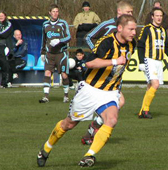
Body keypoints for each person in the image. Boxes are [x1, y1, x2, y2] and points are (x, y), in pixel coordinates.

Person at [37, 14, 137, 168]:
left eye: (135, 29)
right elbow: (89, 62)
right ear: (120, 28)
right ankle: (46, 148)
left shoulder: (132, 44)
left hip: (109, 92)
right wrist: (114, 61)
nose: (134, 33)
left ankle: (89, 156)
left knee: (112, 119)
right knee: (68, 124)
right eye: (131, 29)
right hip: (90, 90)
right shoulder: (107, 42)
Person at [82, 0, 134, 145]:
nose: (131, 15)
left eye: (132, 13)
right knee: (114, 101)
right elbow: (88, 37)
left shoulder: (128, 30)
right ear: (119, 12)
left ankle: (92, 130)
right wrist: (99, 55)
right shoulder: (107, 25)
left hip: (115, 72)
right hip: (101, 71)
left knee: (120, 102)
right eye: (128, 13)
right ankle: (92, 130)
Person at [137, 7, 168, 119]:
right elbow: (140, 45)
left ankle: (142, 112)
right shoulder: (147, 29)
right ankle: (145, 110)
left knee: (150, 87)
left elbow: (167, 46)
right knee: (155, 84)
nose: (159, 18)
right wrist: (141, 62)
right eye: (157, 15)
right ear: (152, 17)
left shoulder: (163, 30)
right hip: (149, 60)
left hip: (159, 62)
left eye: (160, 16)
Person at [39, 4, 71, 103]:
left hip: (61, 53)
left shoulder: (63, 23)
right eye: (53, 11)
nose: (55, 13)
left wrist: (59, 40)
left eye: (57, 11)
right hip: (50, 54)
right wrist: (43, 52)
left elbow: (68, 37)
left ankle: (66, 96)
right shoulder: (45, 24)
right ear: (49, 13)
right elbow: (43, 39)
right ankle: (46, 97)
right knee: (47, 73)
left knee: (64, 75)